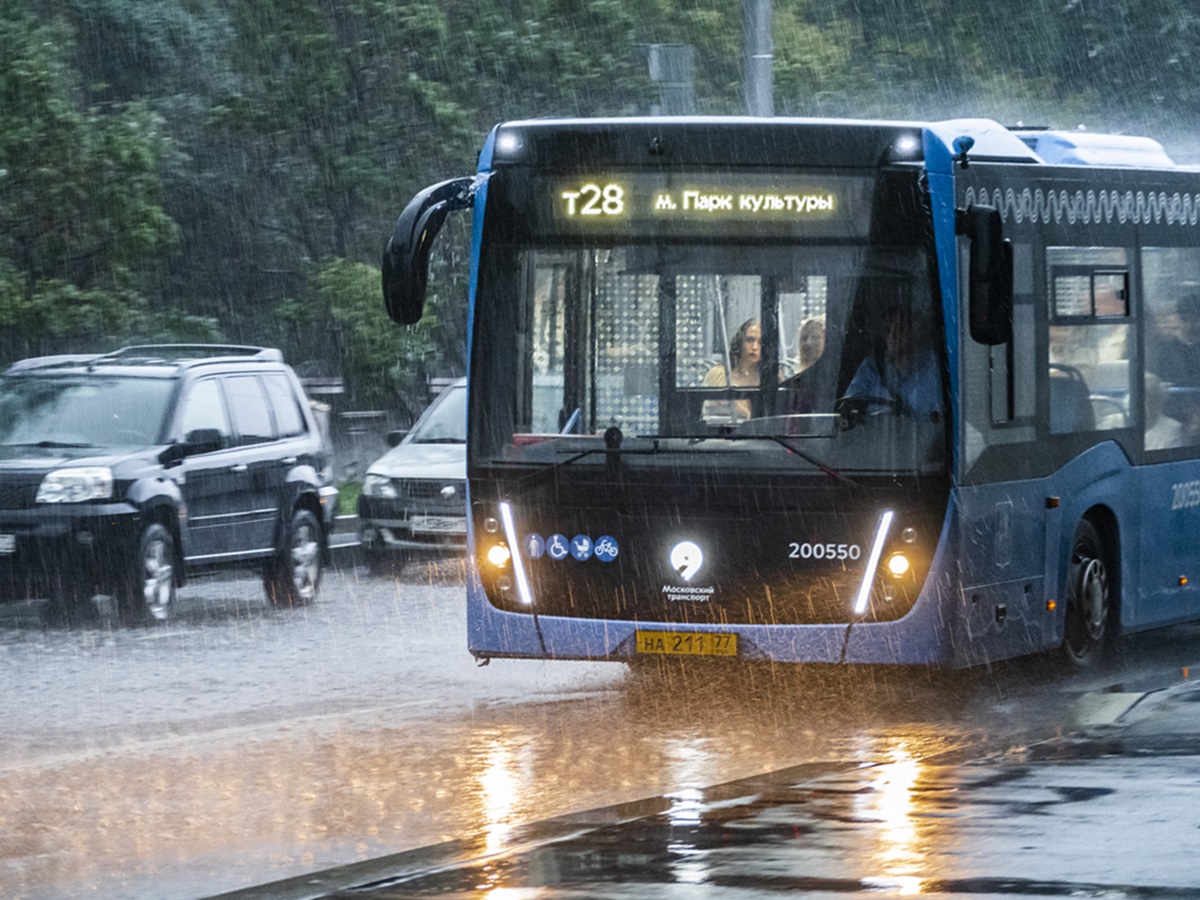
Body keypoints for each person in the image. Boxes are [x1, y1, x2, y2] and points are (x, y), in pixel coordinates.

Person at [844, 307, 941, 418]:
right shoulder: (871, 368)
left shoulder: (935, 367)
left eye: (900, 328)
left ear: (913, 332)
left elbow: (943, 417)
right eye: (887, 330)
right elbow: (849, 409)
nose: (893, 335)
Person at [703, 318, 762, 422]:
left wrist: (740, 409)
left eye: (761, 342)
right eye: (750, 340)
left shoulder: (771, 380)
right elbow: (705, 411)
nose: (754, 347)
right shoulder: (718, 375)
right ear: (740, 342)